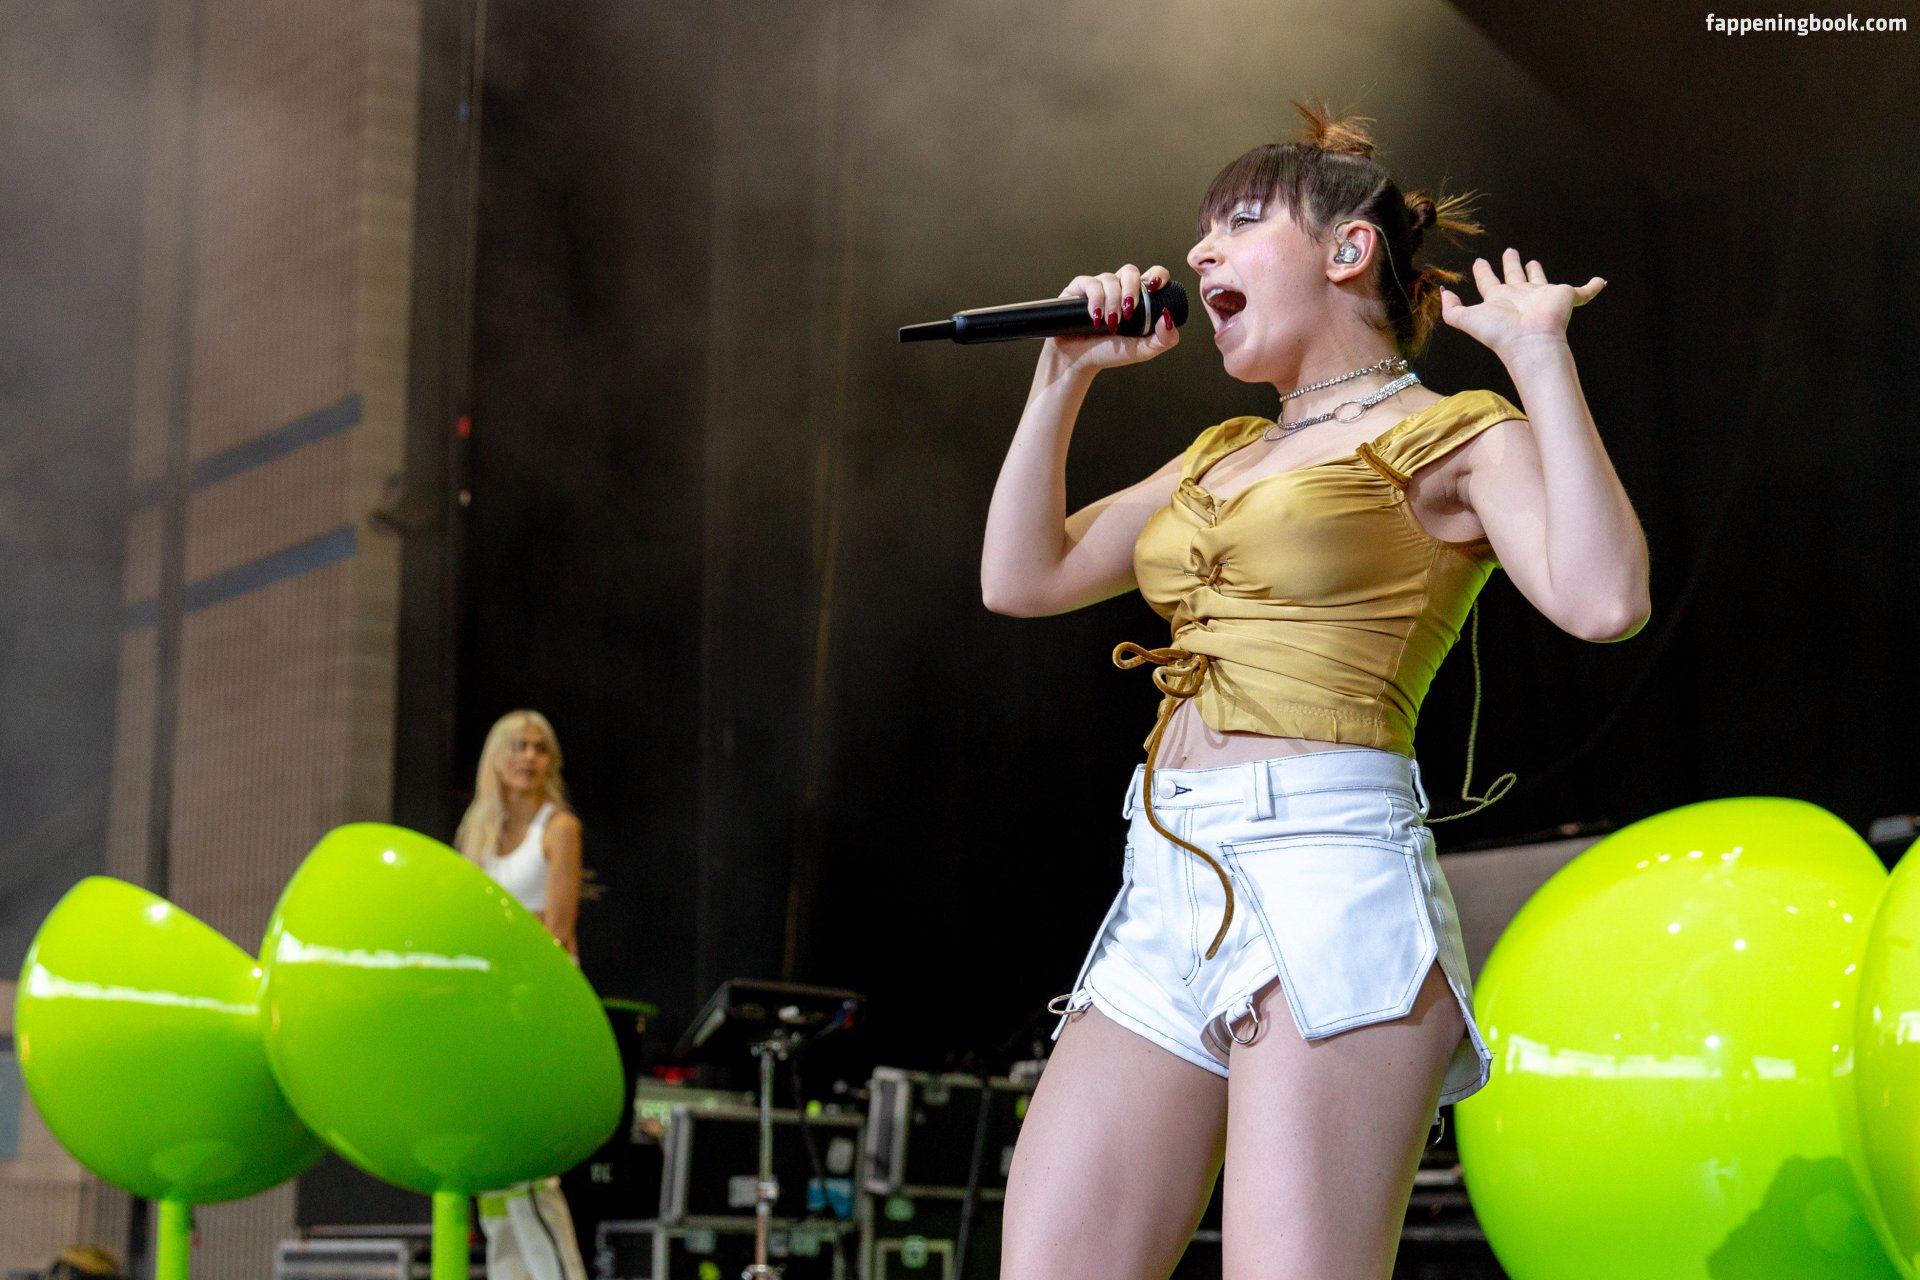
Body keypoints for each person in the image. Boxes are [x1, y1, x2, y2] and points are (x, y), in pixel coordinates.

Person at [981, 104, 1649, 1280]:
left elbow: (1603, 599)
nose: (1200, 252)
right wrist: (1063, 376)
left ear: (1348, 251)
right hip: (1167, 877)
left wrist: (1540, 360)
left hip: (1327, 876)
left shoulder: (1448, 433)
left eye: (1240, 223)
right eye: (1201, 231)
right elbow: (1021, 577)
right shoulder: (1220, 452)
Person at [454, 710, 589, 1280]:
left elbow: (557, 931)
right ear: (496, 757)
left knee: (532, 1174)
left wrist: (501, 933)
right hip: (489, 1011)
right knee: (494, 1178)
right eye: (518, 746)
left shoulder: (559, 829)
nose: (529, 757)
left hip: (539, 1008)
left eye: (539, 747)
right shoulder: (477, 836)